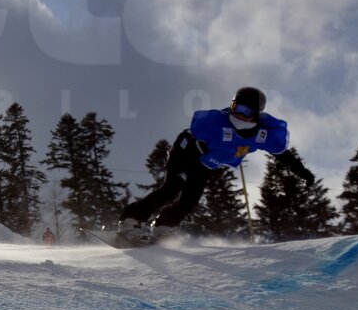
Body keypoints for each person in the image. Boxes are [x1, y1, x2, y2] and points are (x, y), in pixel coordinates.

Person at [117, 87, 311, 243]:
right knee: (172, 188)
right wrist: (196, 150)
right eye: (236, 107)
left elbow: (283, 155)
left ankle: (164, 226)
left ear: (257, 115)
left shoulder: (264, 134)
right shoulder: (216, 121)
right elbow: (193, 136)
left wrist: (303, 172)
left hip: (205, 163)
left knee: (190, 200)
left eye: (246, 111)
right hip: (185, 152)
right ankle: (131, 220)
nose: (239, 114)